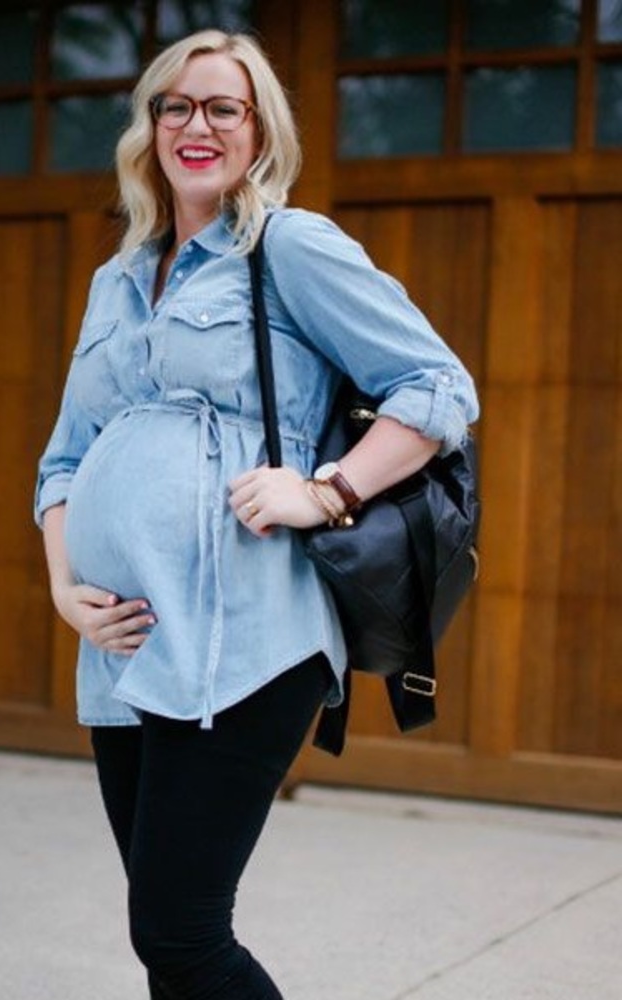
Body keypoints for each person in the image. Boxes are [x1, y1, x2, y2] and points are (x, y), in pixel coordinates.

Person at [33, 28, 479, 1000]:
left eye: (222, 107)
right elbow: (63, 457)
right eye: (176, 106)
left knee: (183, 930)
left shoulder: (289, 246)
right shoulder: (117, 279)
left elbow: (436, 389)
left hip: (244, 636)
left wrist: (328, 489)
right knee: (166, 938)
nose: (197, 125)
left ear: (257, 130)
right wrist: (67, 588)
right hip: (123, 647)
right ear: (150, 127)